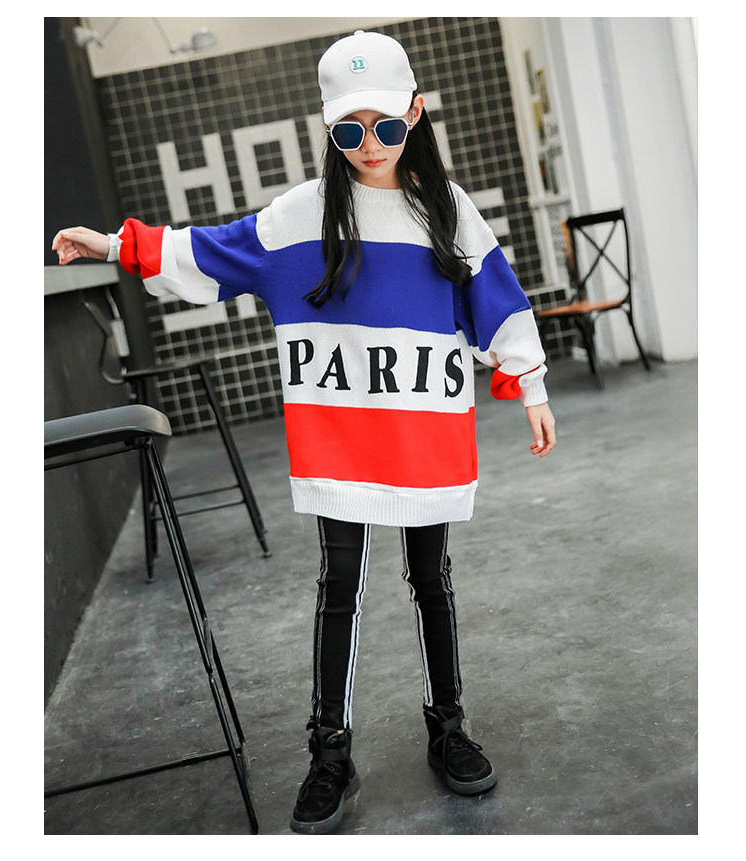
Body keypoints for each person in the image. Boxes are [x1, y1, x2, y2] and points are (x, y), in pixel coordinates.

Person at [53, 30, 556, 835]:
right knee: (339, 583)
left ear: (415, 113)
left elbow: (498, 296)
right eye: (349, 128)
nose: (369, 145)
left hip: (423, 436)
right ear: (327, 126)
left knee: (432, 578)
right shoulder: (301, 216)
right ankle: (330, 751)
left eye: (385, 125)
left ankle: (449, 726)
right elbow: (211, 252)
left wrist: (529, 382)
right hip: (343, 438)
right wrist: (116, 246)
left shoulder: (448, 211)